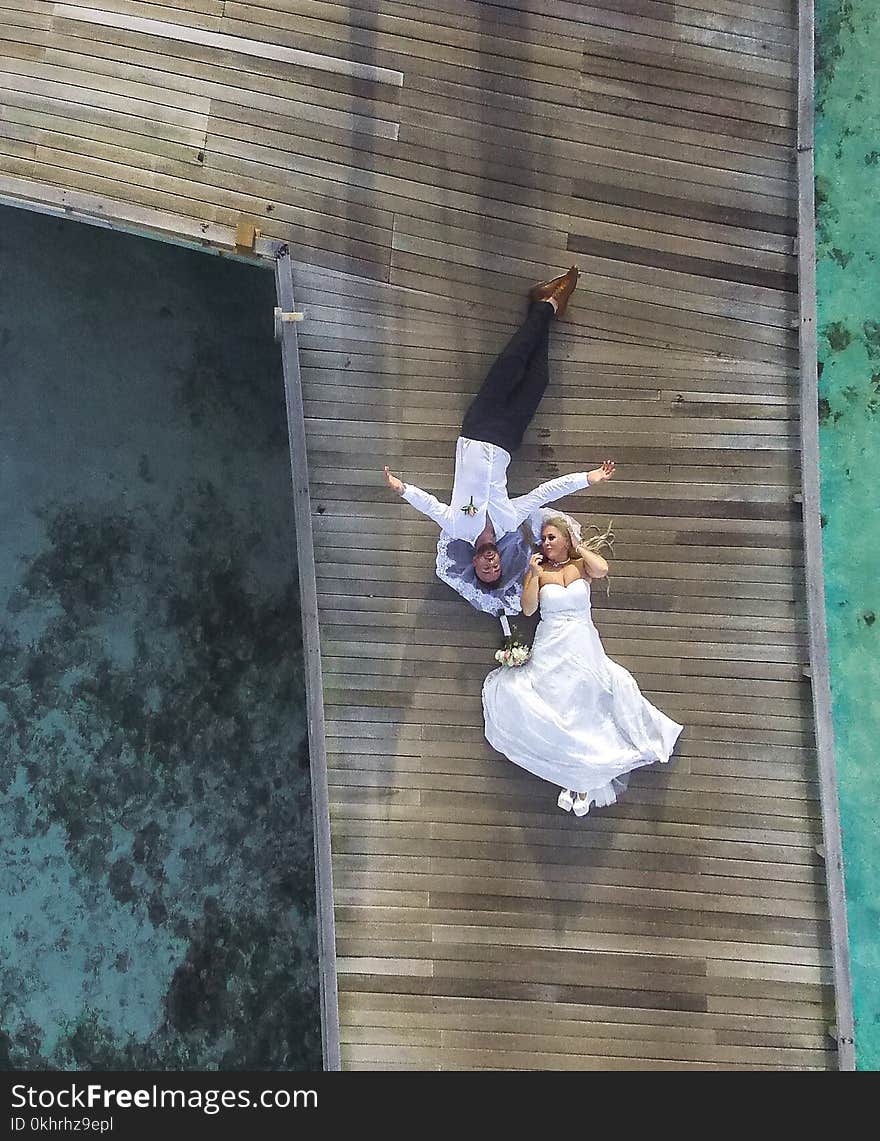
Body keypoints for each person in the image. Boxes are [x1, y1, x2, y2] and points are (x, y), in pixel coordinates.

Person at [383, 267, 615, 618]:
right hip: (507, 441)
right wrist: (589, 478)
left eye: (484, 570)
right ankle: (545, 306)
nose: (490, 565)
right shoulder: (508, 523)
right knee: (538, 380)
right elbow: (543, 494)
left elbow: (429, 505)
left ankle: (548, 304)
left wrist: (402, 489)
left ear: (473, 564)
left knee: (512, 363)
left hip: (477, 431)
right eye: (495, 569)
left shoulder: (458, 526)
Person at [482, 511, 683, 816]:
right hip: (551, 640)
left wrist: (580, 546)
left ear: (564, 539)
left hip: (582, 639)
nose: (546, 543)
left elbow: (602, 569)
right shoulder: (538, 571)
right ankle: (570, 780)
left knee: (586, 704)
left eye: (552, 537)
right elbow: (527, 609)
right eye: (544, 539)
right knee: (559, 707)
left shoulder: (581, 566)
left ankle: (581, 784)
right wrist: (533, 576)